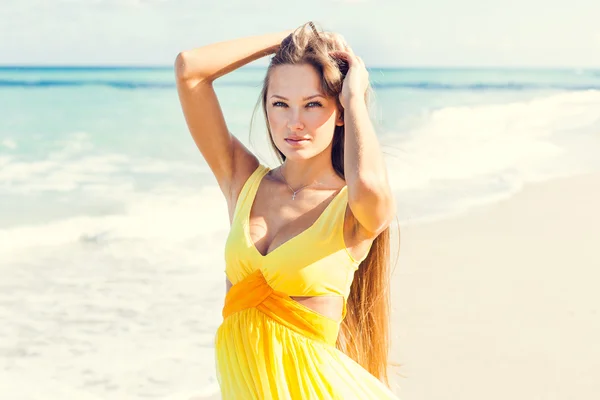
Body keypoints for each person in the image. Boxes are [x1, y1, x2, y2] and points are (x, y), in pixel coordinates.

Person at [175, 21, 398, 399]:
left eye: (313, 105)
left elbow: (373, 184)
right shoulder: (243, 182)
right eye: (280, 104)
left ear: (339, 112)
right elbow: (190, 69)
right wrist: (281, 44)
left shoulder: (353, 210)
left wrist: (355, 96)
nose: (295, 123)